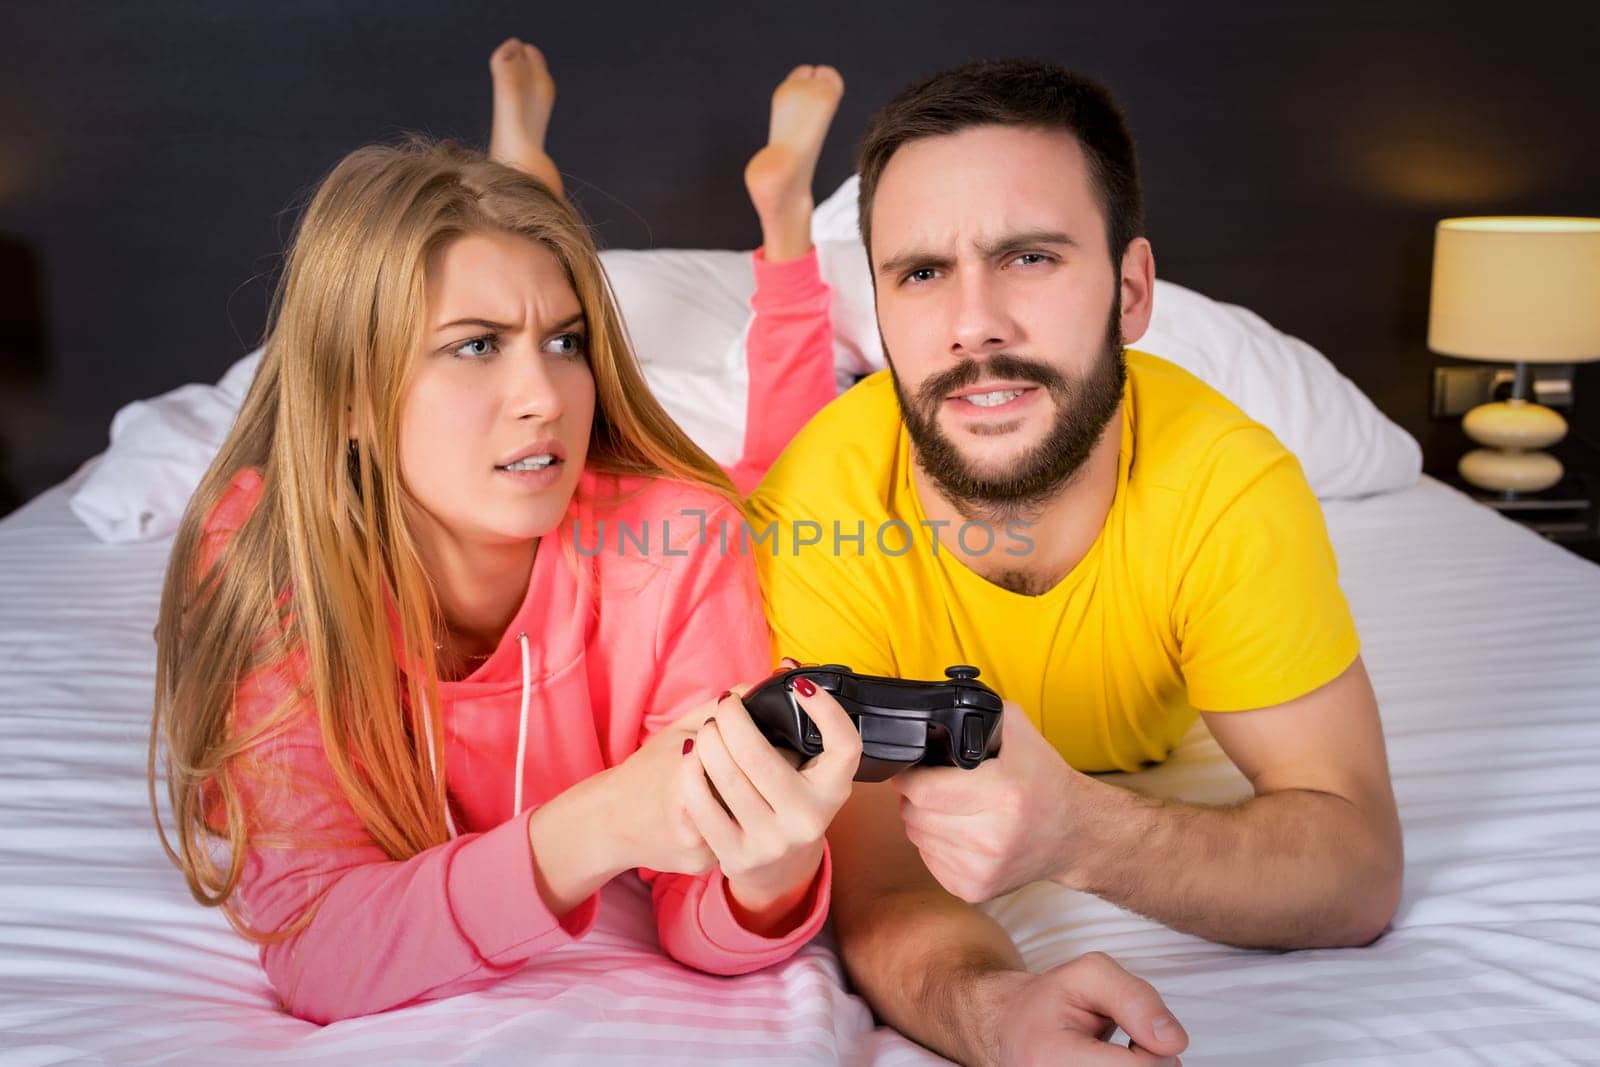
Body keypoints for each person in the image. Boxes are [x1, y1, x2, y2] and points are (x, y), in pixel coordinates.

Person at [148, 40, 862, 1024]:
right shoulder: (270, 555)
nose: (544, 397)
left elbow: (708, 917)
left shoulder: (678, 538)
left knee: (782, 472)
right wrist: (600, 822)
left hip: (659, 523)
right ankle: (520, 164)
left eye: (567, 342)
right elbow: (318, 946)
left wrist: (770, 863)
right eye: (473, 345)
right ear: (349, 392)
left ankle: (784, 229)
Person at [747, 58, 1402, 1065]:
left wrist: (1079, 832)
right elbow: (879, 880)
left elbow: (1355, 866)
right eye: (920, 272)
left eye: (1030, 257)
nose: (974, 324)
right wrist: (998, 1014)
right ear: (879, 308)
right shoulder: (814, 511)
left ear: (1131, 290)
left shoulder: (1228, 488)